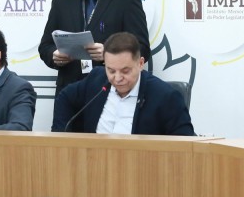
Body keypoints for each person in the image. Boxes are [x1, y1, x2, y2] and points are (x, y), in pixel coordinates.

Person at [52, 32, 194, 135]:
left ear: (140, 64)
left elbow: (184, 144)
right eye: (111, 70)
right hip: (95, 162)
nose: (118, 78)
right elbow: (65, 97)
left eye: (125, 71)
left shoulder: (166, 97)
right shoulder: (96, 79)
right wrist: (62, 138)